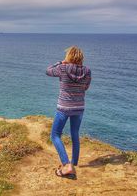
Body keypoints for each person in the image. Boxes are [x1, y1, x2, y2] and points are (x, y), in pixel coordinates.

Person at [46, 45, 91, 179]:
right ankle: (74, 163)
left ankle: (67, 165)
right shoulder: (87, 71)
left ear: (68, 56)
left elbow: (48, 71)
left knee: (55, 135)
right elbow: (86, 87)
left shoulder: (63, 68)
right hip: (79, 107)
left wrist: (60, 62)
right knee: (75, 134)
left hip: (64, 108)